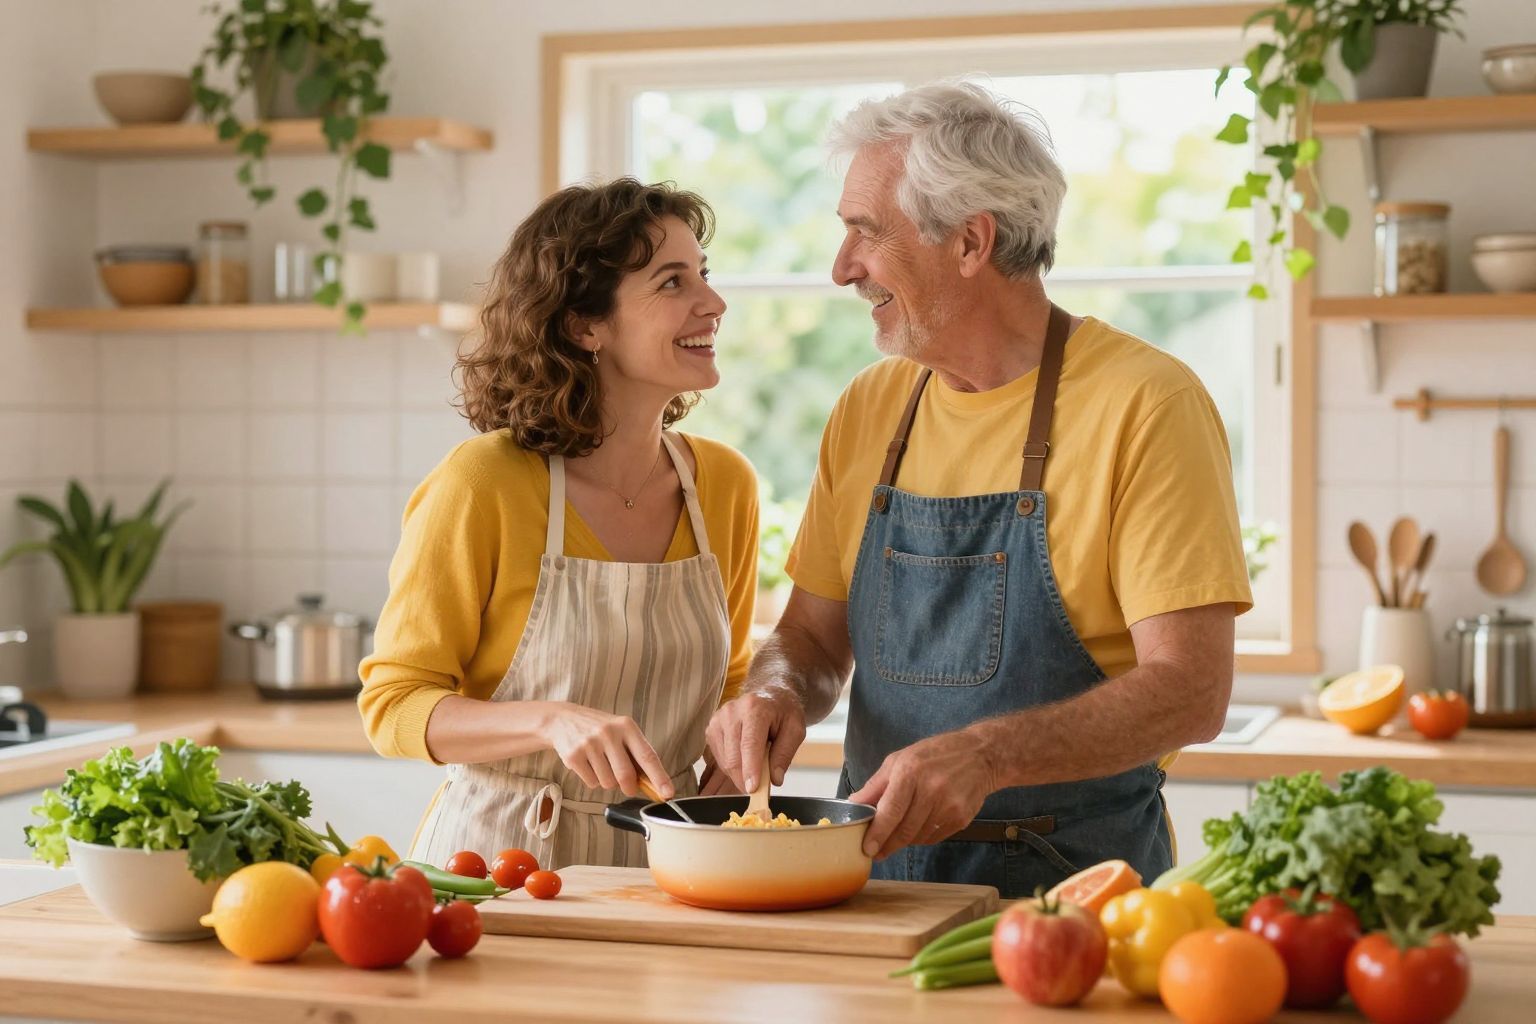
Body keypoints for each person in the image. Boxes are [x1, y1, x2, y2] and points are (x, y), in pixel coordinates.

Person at [705, 82, 1253, 897]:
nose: (841, 268)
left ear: (970, 242)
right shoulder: (871, 406)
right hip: (872, 883)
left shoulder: (1145, 403)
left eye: (865, 232)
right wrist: (776, 689)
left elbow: (1192, 692)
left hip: (1078, 887)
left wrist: (988, 754)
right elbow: (813, 642)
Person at [359, 178, 759, 870]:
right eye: (672, 283)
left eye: (705, 276)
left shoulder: (723, 486)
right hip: (497, 868)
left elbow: (732, 682)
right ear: (585, 325)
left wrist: (734, 747)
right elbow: (394, 706)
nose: (713, 304)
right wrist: (548, 719)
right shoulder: (484, 483)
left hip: (673, 867)